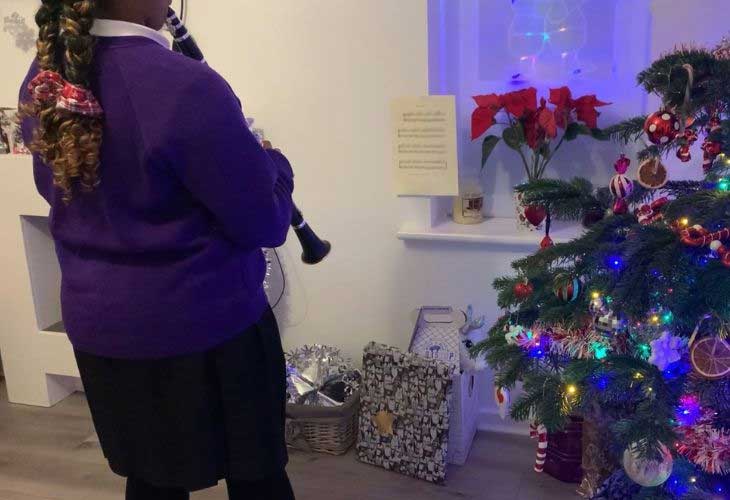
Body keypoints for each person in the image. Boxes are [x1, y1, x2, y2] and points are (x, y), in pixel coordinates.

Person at [19, 1, 296, 499]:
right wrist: (271, 160)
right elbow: (266, 222)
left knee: (152, 480)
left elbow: (62, 189)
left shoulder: (46, 76)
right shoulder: (186, 86)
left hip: (104, 335)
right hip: (209, 331)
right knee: (257, 476)